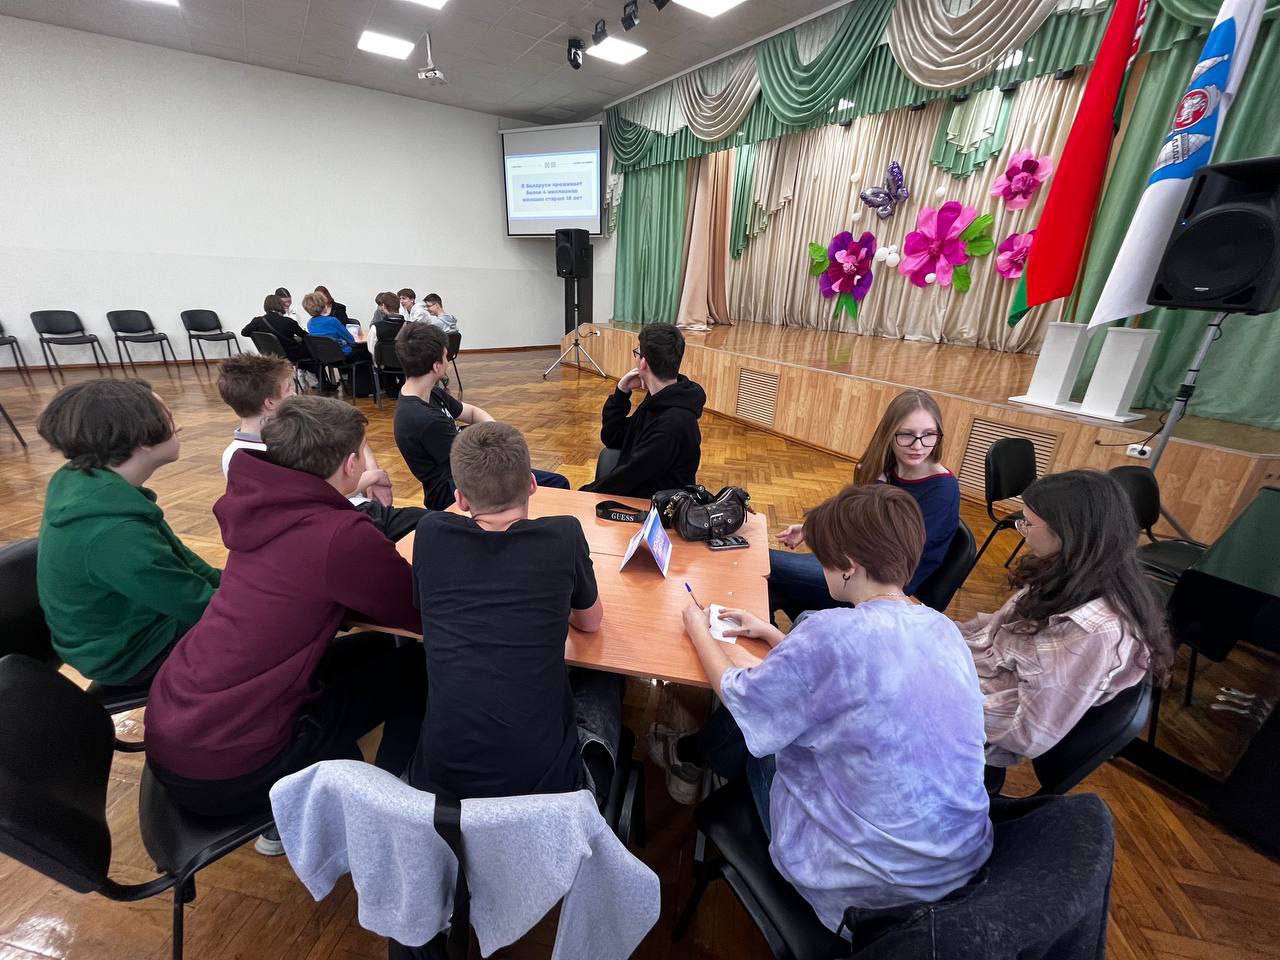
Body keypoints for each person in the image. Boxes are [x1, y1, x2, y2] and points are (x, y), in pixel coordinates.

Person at [657, 484, 992, 931]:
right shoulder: (943, 629)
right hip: (954, 874)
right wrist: (771, 634)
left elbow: (743, 696)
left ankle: (689, 765)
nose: (821, 564)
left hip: (865, 890)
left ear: (849, 567)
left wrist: (697, 627)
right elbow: (851, 679)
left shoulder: (832, 633)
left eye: (824, 558)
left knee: (763, 736)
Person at [145, 396, 426, 831]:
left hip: (177, 728)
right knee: (422, 666)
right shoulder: (337, 534)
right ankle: (390, 807)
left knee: (376, 647)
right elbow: (417, 612)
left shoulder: (259, 507)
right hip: (233, 768)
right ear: (351, 463)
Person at [408, 421, 623, 803]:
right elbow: (591, 622)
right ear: (533, 484)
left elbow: (425, 609)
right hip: (548, 795)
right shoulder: (563, 536)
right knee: (608, 677)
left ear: (461, 499)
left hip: (441, 797)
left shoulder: (430, 534)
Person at [960, 470, 1174, 768]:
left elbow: (1027, 733)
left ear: (1067, 533)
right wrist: (925, 627)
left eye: (1028, 523)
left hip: (971, 736)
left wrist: (934, 694)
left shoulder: (1094, 632)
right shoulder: (1065, 574)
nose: (1022, 530)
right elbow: (992, 634)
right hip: (969, 683)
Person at [35, 380, 220, 693]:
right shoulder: (113, 530)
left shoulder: (91, 484)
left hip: (139, 626)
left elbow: (186, 565)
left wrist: (242, 582)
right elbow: (196, 604)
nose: (179, 427)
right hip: (130, 655)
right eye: (169, 419)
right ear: (143, 439)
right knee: (278, 633)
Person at [769, 388, 959, 621]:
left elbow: (888, 551)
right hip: (857, 563)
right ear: (889, 433)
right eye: (907, 434)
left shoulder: (942, 490)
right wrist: (811, 530)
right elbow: (857, 522)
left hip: (882, 583)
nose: (918, 445)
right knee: (771, 578)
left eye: (928, 434)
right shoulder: (885, 468)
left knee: (767, 564)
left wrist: (827, 535)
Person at [216, 354, 424, 542]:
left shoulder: (297, 422)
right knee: (428, 526)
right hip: (341, 519)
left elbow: (352, 436)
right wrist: (371, 477)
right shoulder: (255, 455)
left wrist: (372, 470)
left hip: (354, 502)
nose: (294, 394)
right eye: (288, 389)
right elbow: (318, 496)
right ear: (270, 403)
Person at [393, 324, 569, 510]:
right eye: (445, 357)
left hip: (467, 471)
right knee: (557, 484)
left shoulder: (430, 394)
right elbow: (473, 460)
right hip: (454, 489)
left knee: (551, 481)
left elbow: (471, 413)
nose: (447, 362)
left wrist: (496, 432)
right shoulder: (424, 419)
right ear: (436, 366)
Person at [580, 323, 706, 499]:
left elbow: (626, 479)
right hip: (639, 490)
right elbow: (613, 437)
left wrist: (581, 496)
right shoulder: (660, 399)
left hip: (652, 506)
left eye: (637, 353)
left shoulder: (673, 422)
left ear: (643, 362)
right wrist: (622, 392)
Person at [242, 294, 311, 366]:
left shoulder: (257, 321)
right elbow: (306, 336)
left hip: (270, 355)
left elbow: (244, 332)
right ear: (281, 305)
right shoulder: (288, 322)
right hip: (290, 356)